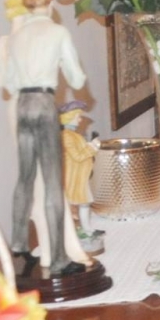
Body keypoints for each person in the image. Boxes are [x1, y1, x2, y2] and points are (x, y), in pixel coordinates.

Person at [0, 0, 87, 275]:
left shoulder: (17, 36)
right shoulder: (57, 33)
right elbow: (76, 77)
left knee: (24, 176)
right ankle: (59, 258)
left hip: (23, 103)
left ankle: (19, 243)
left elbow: (9, 83)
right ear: (50, 5)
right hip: (44, 103)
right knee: (51, 181)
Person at [59, 102, 103, 256]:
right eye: (77, 117)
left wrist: (91, 145)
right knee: (80, 203)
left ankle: (86, 229)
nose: (79, 120)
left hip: (81, 176)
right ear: (69, 118)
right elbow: (77, 156)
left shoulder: (73, 135)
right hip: (74, 177)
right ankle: (79, 231)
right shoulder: (66, 136)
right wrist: (92, 147)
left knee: (84, 202)